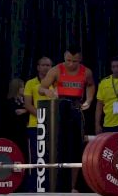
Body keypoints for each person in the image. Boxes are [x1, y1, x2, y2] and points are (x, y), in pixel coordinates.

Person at [40, 45, 95, 193]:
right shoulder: (56, 70)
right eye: (68, 60)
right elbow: (41, 87)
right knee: (58, 147)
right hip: (59, 110)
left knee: (76, 149)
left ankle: (72, 186)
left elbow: (90, 85)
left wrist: (89, 100)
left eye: (75, 61)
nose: (71, 64)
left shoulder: (86, 72)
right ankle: (56, 184)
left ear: (80, 59)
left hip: (76, 110)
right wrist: (48, 91)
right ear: (64, 57)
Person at [23, 56, 53, 192]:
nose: (46, 67)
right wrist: (42, 117)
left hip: (53, 126)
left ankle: (50, 188)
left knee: (51, 158)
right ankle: (34, 189)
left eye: (49, 65)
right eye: (44, 65)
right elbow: (28, 105)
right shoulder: (30, 83)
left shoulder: (55, 83)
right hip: (35, 126)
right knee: (36, 158)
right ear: (38, 67)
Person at [5, 78, 29, 191]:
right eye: (22, 87)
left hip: (25, 134)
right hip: (14, 135)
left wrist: (26, 110)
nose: (24, 89)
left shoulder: (25, 101)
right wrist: (26, 110)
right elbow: (16, 113)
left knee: (25, 158)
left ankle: (26, 183)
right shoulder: (10, 102)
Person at [95, 56, 118, 134]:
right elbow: (99, 105)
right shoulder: (104, 83)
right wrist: (97, 124)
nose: (116, 69)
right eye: (113, 67)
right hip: (108, 123)